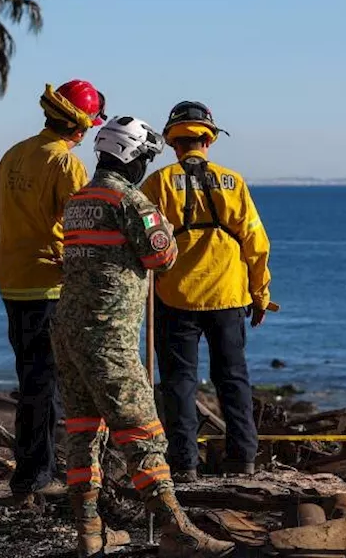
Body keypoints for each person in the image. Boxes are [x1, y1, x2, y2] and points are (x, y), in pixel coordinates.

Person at [56, 117, 233, 558]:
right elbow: (163, 256)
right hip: (109, 336)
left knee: (82, 431)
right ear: (133, 157)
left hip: (68, 332)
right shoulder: (130, 201)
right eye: (145, 158)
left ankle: (88, 531)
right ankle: (177, 530)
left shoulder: (79, 199)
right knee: (143, 431)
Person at [0, 80, 105, 502]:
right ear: (82, 126)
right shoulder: (66, 164)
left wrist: (8, 256)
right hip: (48, 285)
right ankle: (37, 474)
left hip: (13, 280)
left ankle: (34, 469)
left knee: (30, 377)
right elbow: (81, 225)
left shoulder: (15, 154)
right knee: (46, 383)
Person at [141, 101, 273, 481]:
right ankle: (242, 460)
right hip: (229, 295)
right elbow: (255, 242)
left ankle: (184, 464)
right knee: (233, 378)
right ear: (209, 141)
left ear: (173, 144)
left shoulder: (159, 183)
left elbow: (144, 241)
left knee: (179, 383)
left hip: (174, 295)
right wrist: (260, 293)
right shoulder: (234, 182)